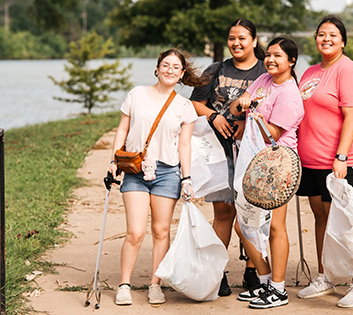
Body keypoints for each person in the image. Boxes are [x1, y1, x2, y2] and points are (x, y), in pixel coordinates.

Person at [108, 48, 206, 306]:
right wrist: (113, 160)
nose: (170, 70)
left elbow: (185, 146)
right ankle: (124, 285)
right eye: (165, 65)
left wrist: (186, 178)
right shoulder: (136, 95)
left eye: (176, 67)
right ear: (157, 67)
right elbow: (122, 129)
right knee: (135, 231)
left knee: (161, 230)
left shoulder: (185, 107)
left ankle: (155, 284)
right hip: (135, 170)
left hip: (167, 172)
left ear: (182, 73)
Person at [295, 14, 353, 308]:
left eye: (332, 35)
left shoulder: (349, 72)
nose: (325, 39)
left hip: (341, 160)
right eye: (321, 34)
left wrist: (341, 157)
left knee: (347, 221)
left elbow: (352, 117)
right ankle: (325, 275)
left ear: (343, 41)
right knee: (321, 217)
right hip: (312, 160)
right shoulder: (310, 72)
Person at [190, 18, 267, 296]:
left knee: (253, 213)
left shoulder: (265, 70)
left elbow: (277, 105)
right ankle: (216, 270)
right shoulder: (216, 70)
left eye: (242, 38)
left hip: (254, 155)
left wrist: (248, 125)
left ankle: (253, 271)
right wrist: (214, 116)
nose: (236, 43)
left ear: (254, 41)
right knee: (223, 211)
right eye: (232, 38)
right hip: (218, 151)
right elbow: (194, 102)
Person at [228, 37, 304, 309]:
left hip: (278, 166)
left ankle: (279, 289)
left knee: (274, 227)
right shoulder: (263, 81)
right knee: (244, 224)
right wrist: (244, 99)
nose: (271, 60)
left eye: (278, 56)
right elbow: (236, 107)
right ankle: (264, 279)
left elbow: (273, 133)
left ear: (291, 61)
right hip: (253, 161)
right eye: (269, 55)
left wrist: (255, 109)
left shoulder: (289, 95)